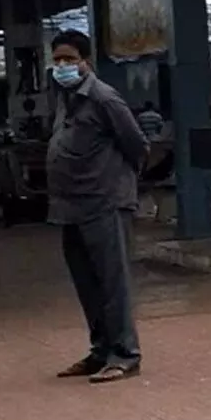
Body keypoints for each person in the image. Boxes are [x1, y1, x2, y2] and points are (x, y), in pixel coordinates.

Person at [47, 30, 150, 384]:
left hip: (104, 203)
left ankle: (125, 355)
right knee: (86, 283)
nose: (62, 66)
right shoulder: (65, 97)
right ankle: (100, 350)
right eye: (57, 60)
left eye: (69, 59)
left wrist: (119, 183)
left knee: (112, 282)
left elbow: (137, 145)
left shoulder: (105, 99)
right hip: (70, 206)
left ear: (86, 62)